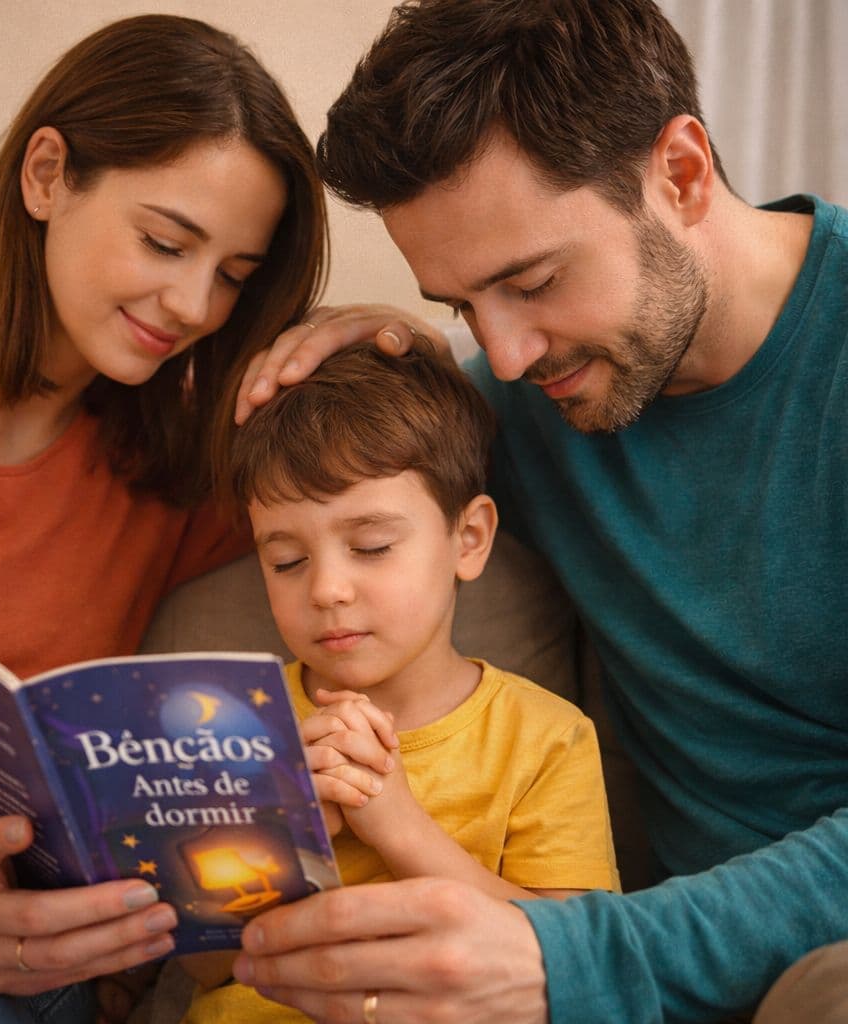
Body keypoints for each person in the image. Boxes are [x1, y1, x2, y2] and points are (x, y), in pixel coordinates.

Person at [229, 1, 848, 1022]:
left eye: (532, 281)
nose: (507, 358)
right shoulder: (537, 396)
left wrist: (575, 957)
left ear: (681, 173)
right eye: (463, 306)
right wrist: (397, 380)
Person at [0, 14, 337, 1023]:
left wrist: (392, 340)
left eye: (233, 276)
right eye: (165, 242)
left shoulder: (175, 443)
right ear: (47, 175)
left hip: (49, 943)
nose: (193, 305)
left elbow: (407, 477)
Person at [178, 340, 618, 1024]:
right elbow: (203, 966)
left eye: (371, 547)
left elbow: (578, 960)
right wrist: (284, 838)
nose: (326, 589)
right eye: (287, 561)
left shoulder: (544, 739)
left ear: (468, 539)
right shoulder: (230, 725)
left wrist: (399, 826)